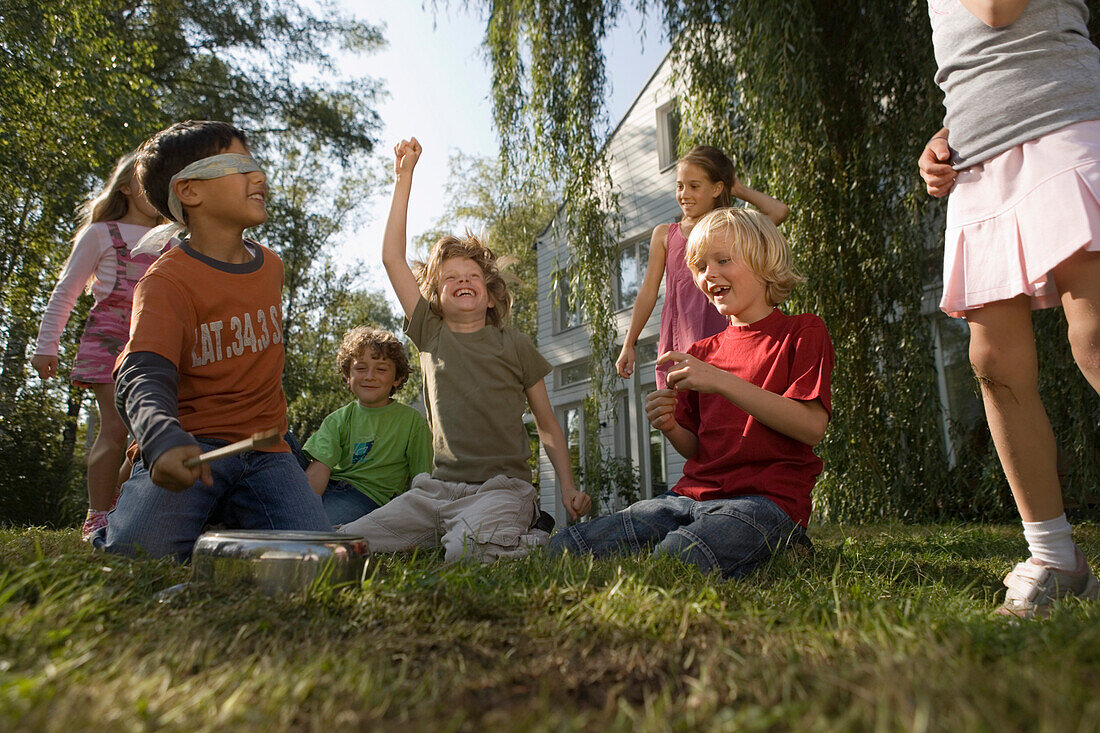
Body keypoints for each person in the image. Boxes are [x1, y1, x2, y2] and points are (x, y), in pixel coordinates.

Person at [918, 0, 1100, 617]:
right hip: (980, 160)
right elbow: (972, 59)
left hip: (1066, 120)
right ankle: (1055, 556)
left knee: (1095, 333)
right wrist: (946, 137)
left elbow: (998, 11)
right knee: (993, 360)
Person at [338, 137, 592, 562]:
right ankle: (458, 534)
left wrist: (566, 486)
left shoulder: (514, 344)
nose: (462, 280)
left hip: (503, 490)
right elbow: (392, 259)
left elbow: (547, 423)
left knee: (465, 555)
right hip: (436, 493)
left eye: (472, 275)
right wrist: (405, 179)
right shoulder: (430, 332)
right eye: (450, 276)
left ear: (490, 295)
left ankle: (531, 536)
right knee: (346, 544)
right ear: (435, 298)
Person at [549, 208, 833, 579]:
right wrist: (668, 424)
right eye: (699, 266)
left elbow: (811, 426)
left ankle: (786, 544)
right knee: (567, 547)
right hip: (689, 499)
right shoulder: (702, 352)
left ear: (765, 261)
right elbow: (697, 449)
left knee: (678, 556)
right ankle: (742, 547)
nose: (708, 274)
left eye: (723, 260)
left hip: (765, 502)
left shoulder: (802, 332)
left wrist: (719, 380)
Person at [94, 120, 330, 561]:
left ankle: (221, 514)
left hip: (268, 452)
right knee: (137, 556)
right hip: (192, 447)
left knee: (315, 556)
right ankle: (139, 506)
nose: (259, 176)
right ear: (189, 191)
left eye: (255, 165)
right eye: (238, 166)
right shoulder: (166, 282)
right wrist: (160, 438)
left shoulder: (272, 267)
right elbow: (142, 373)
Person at [30, 151, 165, 540]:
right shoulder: (102, 234)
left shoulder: (170, 240)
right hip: (108, 339)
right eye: (145, 182)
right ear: (125, 188)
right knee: (115, 428)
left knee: (149, 436)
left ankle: (122, 503)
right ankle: (97, 514)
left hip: (152, 342)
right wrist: (46, 346)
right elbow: (66, 290)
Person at [615, 145, 790, 388]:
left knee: (720, 415)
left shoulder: (731, 230)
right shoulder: (665, 235)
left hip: (724, 341)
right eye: (679, 186)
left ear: (717, 188)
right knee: (674, 417)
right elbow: (647, 293)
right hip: (678, 342)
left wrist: (737, 188)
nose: (684, 194)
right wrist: (628, 344)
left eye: (694, 186)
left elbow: (778, 212)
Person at [301, 325, 433, 525]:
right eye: (360, 368)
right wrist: (301, 507)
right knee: (281, 445)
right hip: (331, 486)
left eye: (381, 369)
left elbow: (422, 480)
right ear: (348, 376)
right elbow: (319, 469)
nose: (369, 376)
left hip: (366, 498)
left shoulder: (412, 421)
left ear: (397, 378)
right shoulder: (339, 419)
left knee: (320, 527)